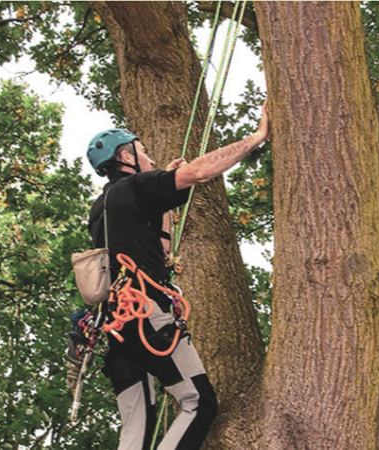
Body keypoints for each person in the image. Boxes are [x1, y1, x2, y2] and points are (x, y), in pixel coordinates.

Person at [85, 101, 270, 450]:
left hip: (118, 327)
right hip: (146, 314)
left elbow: (161, 250)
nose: (151, 160)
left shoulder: (102, 207)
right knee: (198, 403)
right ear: (125, 156)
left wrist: (163, 202)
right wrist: (258, 136)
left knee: (136, 426)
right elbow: (200, 172)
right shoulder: (136, 187)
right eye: (143, 151)